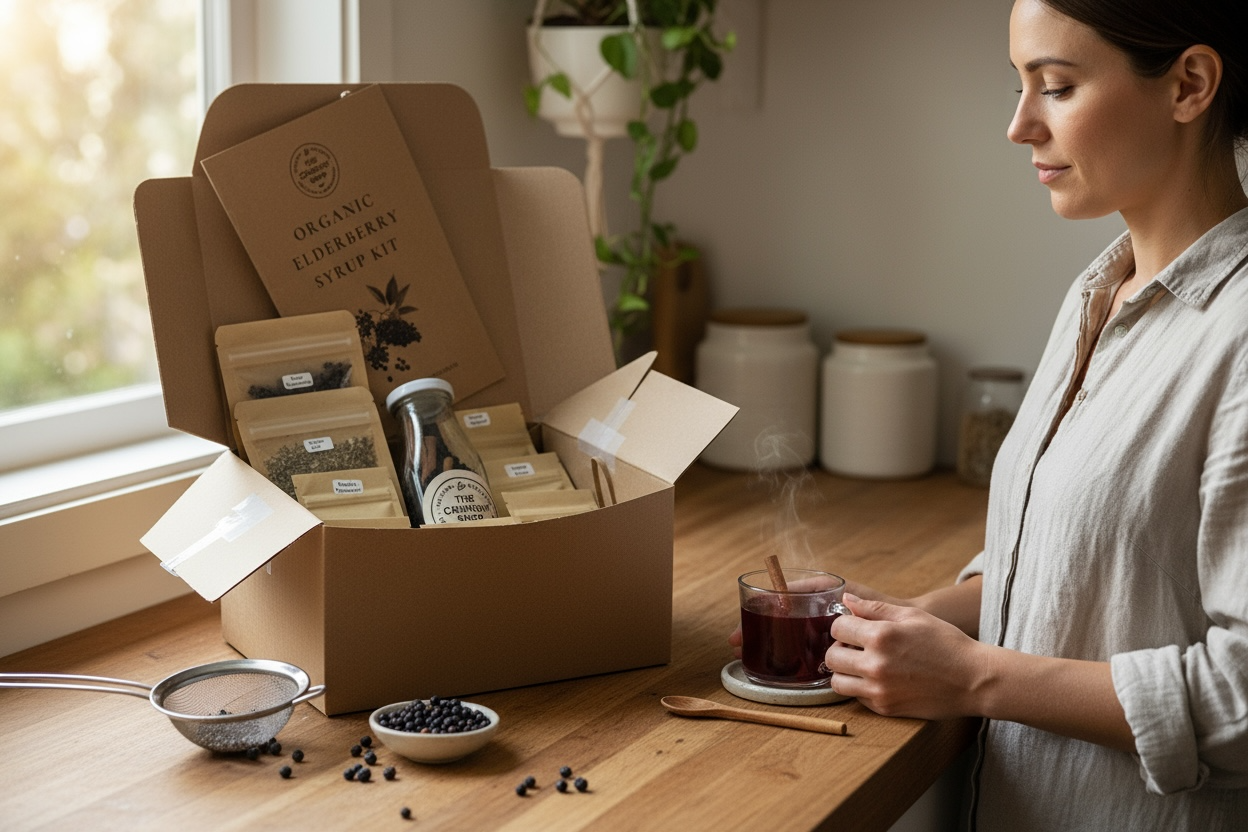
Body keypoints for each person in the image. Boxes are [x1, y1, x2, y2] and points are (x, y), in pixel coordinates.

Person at [732, 0, 1248, 828]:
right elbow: (1078, 556)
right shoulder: (1098, 296)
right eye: (1018, 85)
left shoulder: (1237, 335)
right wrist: (906, 622)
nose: (1018, 126)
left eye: (1057, 86)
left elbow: (1243, 697)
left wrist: (974, 677)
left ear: (1189, 84)